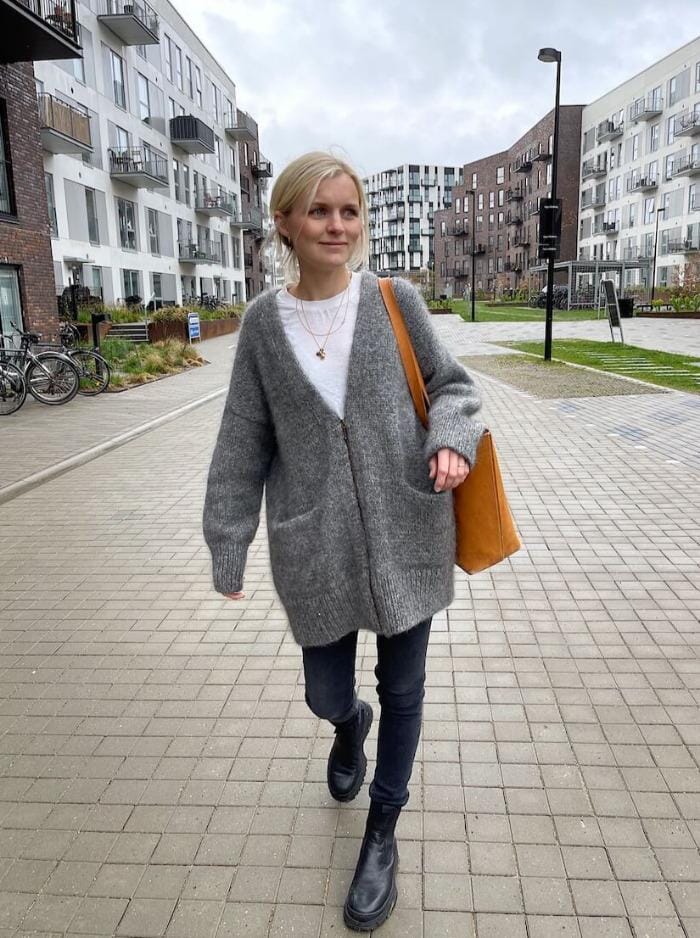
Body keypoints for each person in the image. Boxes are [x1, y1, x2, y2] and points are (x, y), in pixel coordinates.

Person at [203, 151, 484, 931]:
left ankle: (382, 830)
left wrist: (452, 438)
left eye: (349, 211)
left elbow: (455, 387)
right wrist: (228, 536)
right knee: (325, 693)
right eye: (320, 211)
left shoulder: (396, 300)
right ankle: (346, 725)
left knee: (405, 690)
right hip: (314, 543)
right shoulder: (263, 325)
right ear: (285, 224)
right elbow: (242, 438)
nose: (337, 225)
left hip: (407, 528)